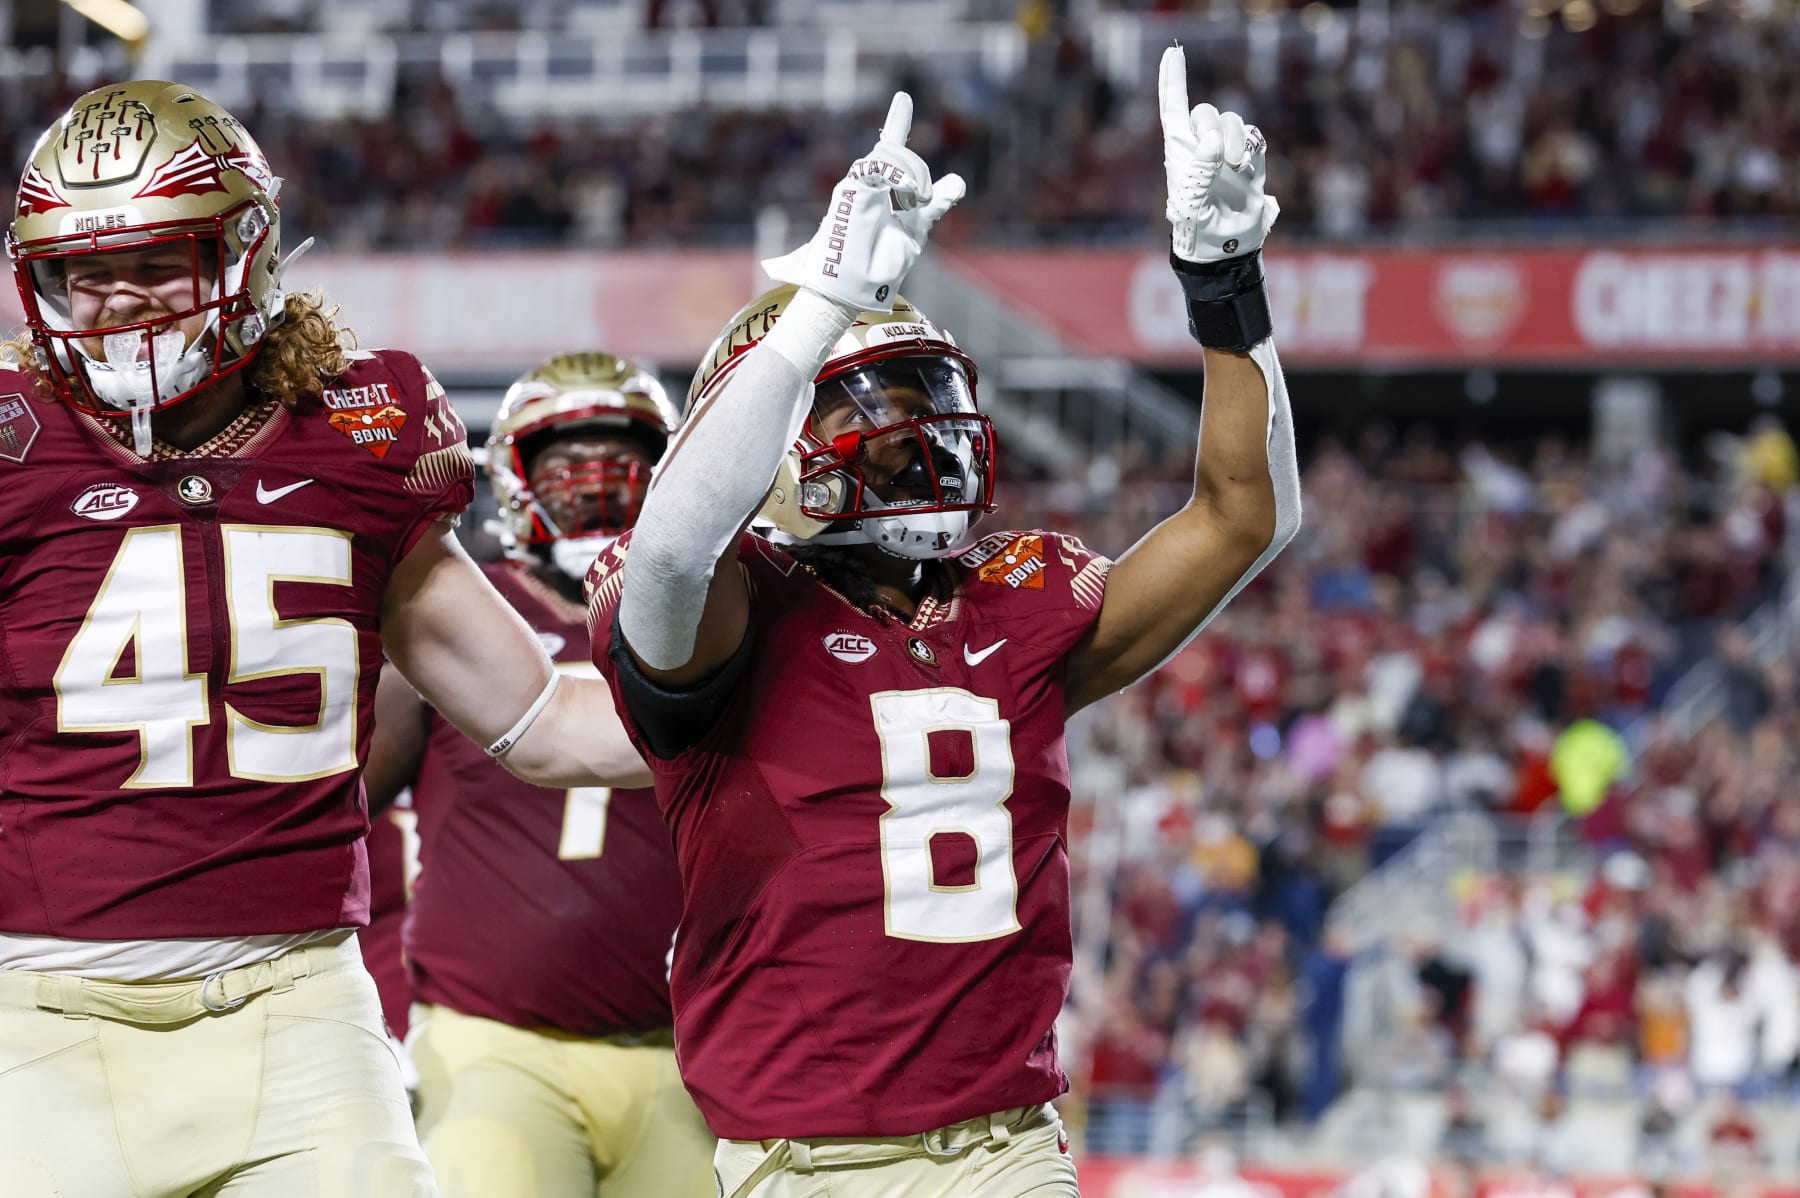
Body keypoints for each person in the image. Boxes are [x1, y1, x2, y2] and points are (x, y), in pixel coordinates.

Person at [586, 56, 1301, 1198]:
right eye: (875, 412)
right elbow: (675, 543)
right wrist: (818, 304)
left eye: (925, 402)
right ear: (770, 450)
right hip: (801, 1162)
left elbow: (1243, 515)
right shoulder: (732, 610)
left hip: (1005, 1149)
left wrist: (1224, 282)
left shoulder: (1013, 602)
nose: (925, 439)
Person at [0, 80, 647, 1196]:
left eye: (154, 263)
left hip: (295, 1008)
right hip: (40, 1016)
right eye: (79, 272)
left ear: (244, 254)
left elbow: (547, 724)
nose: (112, 303)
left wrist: (782, 711)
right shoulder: (17, 441)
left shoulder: (360, 435)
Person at [362, 352, 715, 1197]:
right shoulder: (455, 606)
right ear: (515, 478)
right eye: (564, 462)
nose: (596, 483)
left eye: (624, 460)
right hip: (490, 1043)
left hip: (684, 1049)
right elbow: (342, 811)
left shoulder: (717, 618)